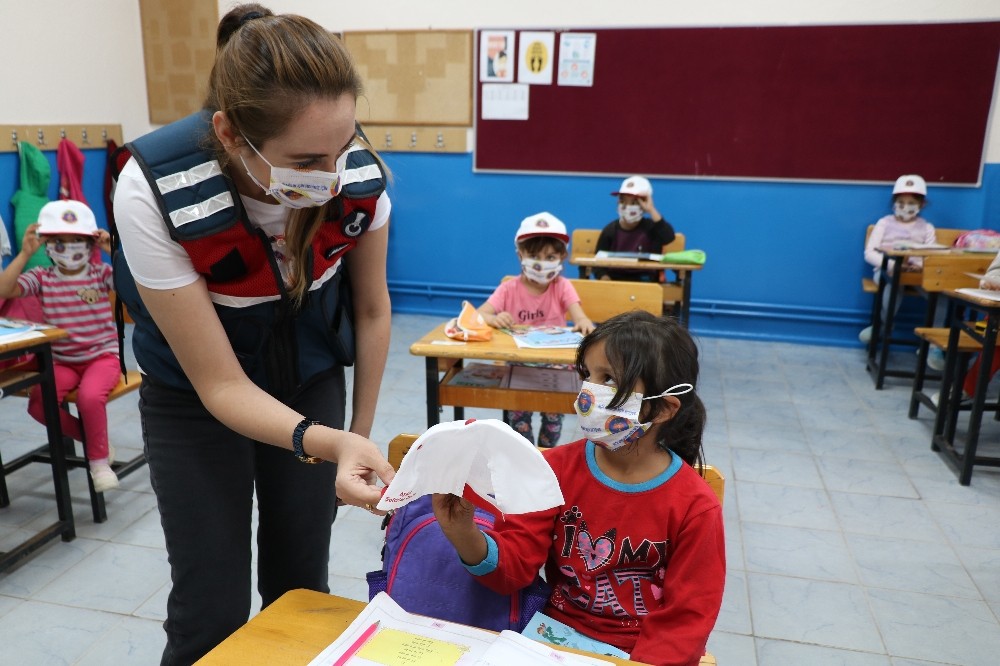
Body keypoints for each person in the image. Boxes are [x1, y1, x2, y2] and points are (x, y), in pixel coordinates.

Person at [111, 5, 395, 663]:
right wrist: (329, 442)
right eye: (306, 158)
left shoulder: (357, 179)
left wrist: (358, 435)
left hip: (309, 380)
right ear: (231, 134)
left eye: (342, 147)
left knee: (302, 590)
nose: (329, 176)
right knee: (207, 607)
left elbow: (374, 311)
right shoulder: (153, 188)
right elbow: (219, 384)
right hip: (194, 398)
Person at [433, 311, 725, 666]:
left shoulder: (695, 506)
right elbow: (514, 568)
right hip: (551, 641)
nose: (589, 392)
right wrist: (464, 534)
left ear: (663, 409)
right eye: (589, 375)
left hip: (641, 655)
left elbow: (687, 619)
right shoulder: (554, 469)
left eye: (610, 379)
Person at [0, 199, 121, 492]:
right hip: (62, 360)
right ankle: (94, 439)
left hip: (102, 357)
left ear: (90, 243)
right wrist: (25, 253)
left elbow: (134, 284)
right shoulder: (42, 277)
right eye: (60, 242)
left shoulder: (100, 273)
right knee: (39, 403)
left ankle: (99, 462)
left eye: (77, 240)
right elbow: (5, 290)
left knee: (90, 398)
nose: (69, 248)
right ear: (48, 245)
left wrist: (113, 250)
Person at [477, 212, 595, 447]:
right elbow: (480, 314)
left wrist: (583, 323)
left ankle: (547, 457)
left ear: (562, 257)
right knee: (518, 423)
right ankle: (525, 455)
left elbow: (581, 318)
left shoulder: (562, 286)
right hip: (519, 368)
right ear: (520, 254)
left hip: (555, 371)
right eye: (533, 255)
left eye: (550, 256)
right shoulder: (509, 288)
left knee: (553, 419)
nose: (541, 263)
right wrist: (494, 318)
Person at [859, 174, 938, 356]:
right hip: (888, 271)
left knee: (939, 295)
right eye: (901, 201)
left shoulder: (926, 227)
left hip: (918, 275)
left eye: (911, 202)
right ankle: (882, 326)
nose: (905, 206)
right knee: (894, 286)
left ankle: (935, 344)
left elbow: (931, 253)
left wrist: (917, 265)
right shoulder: (884, 223)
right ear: (894, 202)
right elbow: (870, 252)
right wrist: (891, 266)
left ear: (921, 204)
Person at [594, 176, 676, 282]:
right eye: (623, 201)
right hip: (615, 282)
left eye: (634, 203)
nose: (627, 207)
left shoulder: (652, 228)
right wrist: (604, 277)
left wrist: (651, 210)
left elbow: (669, 237)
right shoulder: (610, 231)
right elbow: (597, 263)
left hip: (646, 283)